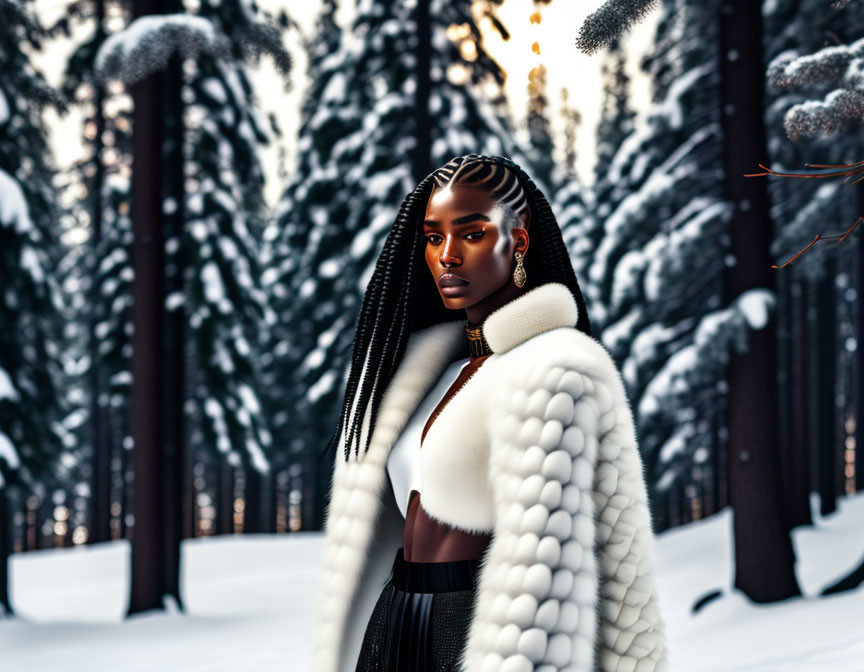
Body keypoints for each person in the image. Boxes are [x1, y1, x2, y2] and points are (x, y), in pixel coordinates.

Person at [313, 154, 669, 672]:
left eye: (471, 234)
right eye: (433, 238)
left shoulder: (557, 370)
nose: (447, 256)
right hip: (395, 620)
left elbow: (581, 566)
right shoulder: (430, 371)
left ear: (517, 243)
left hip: (480, 628)